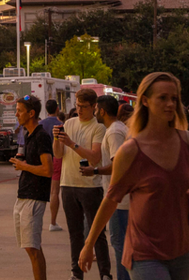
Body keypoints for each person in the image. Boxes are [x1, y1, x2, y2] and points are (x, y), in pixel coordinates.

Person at [79, 72, 189, 280]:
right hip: (144, 252)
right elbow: (111, 199)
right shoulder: (131, 150)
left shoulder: (188, 142)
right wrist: (88, 245)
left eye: (174, 98)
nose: (170, 104)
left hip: (181, 249)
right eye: (163, 98)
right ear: (146, 101)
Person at [57, 89, 109, 280]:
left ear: (94, 107)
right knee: (75, 233)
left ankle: (105, 273)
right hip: (68, 183)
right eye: (77, 105)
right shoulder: (69, 123)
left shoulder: (98, 128)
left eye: (84, 107)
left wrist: (72, 144)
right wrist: (58, 139)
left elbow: (95, 157)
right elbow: (57, 154)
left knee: (97, 233)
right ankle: (76, 273)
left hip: (90, 187)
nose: (79, 110)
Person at [9, 95, 54, 280]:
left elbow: (47, 169)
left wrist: (24, 166)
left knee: (33, 247)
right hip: (24, 194)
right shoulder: (29, 134)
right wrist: (24, 162)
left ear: (31, 113)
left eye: (20, 110)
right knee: (29, 246)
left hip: (35, 196)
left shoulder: (41, 136)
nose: (16, 114)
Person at [98, 102, 133, 280]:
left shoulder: (113, 132)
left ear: (102, 111)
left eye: (96, 109)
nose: (96, 112)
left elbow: (118, 166)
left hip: (120, 201)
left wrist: (95, 171)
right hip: (121, 199)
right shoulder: (116, 129)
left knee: (120, 245)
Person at [42, 99, 66, 232]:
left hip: (42, 159)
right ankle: (53, 221)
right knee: (54, 192)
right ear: (57, 109)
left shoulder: (41, 124)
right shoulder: (60, 125)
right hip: (56, 158)